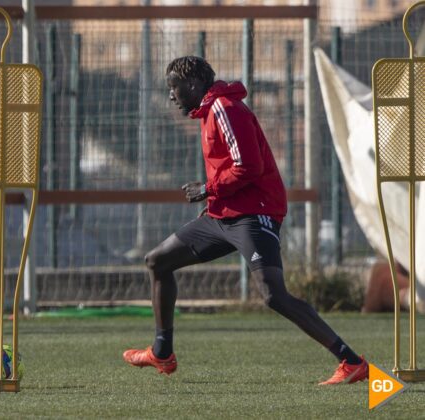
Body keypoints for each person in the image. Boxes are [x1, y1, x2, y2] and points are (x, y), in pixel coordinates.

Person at [122, 56, 368, 385]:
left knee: (273, 296)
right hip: (223, 215)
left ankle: (351, 360)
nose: (171, 95)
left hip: (254, 214)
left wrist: (208, 188)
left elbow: (248, 167)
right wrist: (212, 201)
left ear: (193, 86)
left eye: (174, 88)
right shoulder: (209, 111)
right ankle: (162, 352)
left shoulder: (225, 108)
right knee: (158, 261)